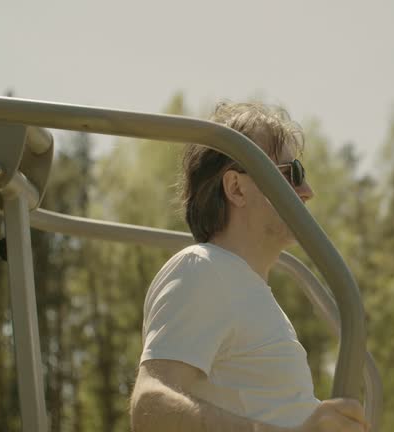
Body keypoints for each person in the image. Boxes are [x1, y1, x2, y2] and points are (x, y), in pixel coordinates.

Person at [130, 102, 369, 432]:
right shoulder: (202, 268)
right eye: (292, 174)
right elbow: (150, 409)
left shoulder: (249, 289)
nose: (307, 192)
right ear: (237, 188)